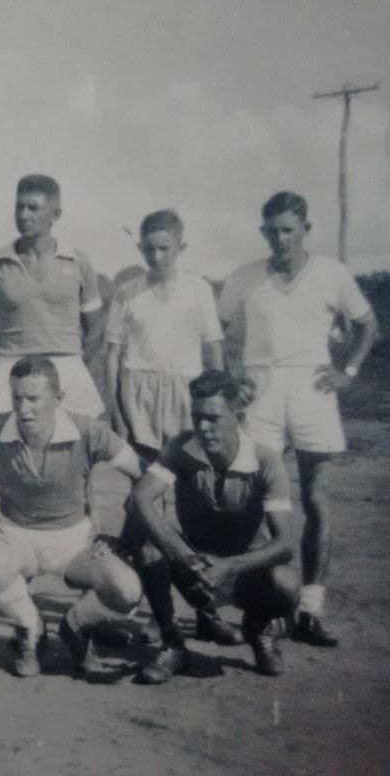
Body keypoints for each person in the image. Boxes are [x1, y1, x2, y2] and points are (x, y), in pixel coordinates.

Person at [217, 191, 377, 647]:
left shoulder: (332, 273)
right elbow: (215, 329)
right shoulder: (245, 276)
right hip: (261, 388)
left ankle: (310, 611)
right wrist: (232, 380)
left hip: (312, 388)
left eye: (289, 229)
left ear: (306, 229)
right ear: (263, 232)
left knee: (315, 498)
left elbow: (367, 325)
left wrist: (348, 371)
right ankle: (264, 604)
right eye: (272, 231)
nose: (280, 239)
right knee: (251, 497)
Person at [0, 355, 143, 678]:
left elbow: (145, 478)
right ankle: (31, 627)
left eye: (33, 398)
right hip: (18, 536)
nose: (24, 408)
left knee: (127, 590)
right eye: (16, 398)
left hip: (75, 540)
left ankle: (75, 626)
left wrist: (123, 536)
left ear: (58, 398)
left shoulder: (87, 430)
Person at [105, 209, 232, 643]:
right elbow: (112, 356)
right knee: (146, 505)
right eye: (149, 248)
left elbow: (214, 350)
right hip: (139, 396)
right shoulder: (127, 292)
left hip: (186, 396)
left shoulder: (198, 289)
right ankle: (156, 612)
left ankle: (206, 608)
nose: (157, 256)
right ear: (140, 246)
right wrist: (117, 411)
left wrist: (220, 405)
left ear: (181, 247)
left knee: (194, 504)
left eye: (165, 248)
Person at [130, 371, 300, 682]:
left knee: (286, 584)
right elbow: (141, 496)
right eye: (197, 417)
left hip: (244, 573)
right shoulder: (181, 447)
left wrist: (228, 566)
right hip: (195, 568)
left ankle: (258, 628)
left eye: (213, 418)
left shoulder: (265, 460)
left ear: (239, 417)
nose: (203, 428)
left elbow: (287, 544)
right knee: (148, 544)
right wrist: (184, 556)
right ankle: (173, 644)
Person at [0, 174, 106, 417]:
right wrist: (11, 365)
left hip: (66, 367)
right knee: (5, 436)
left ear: (55, 215)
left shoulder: (78, 262)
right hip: (11, 367)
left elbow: (96, 328)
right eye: (19, 207)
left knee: (76, 436)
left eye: (33, 208)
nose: (24, 215)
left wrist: (71, 363)